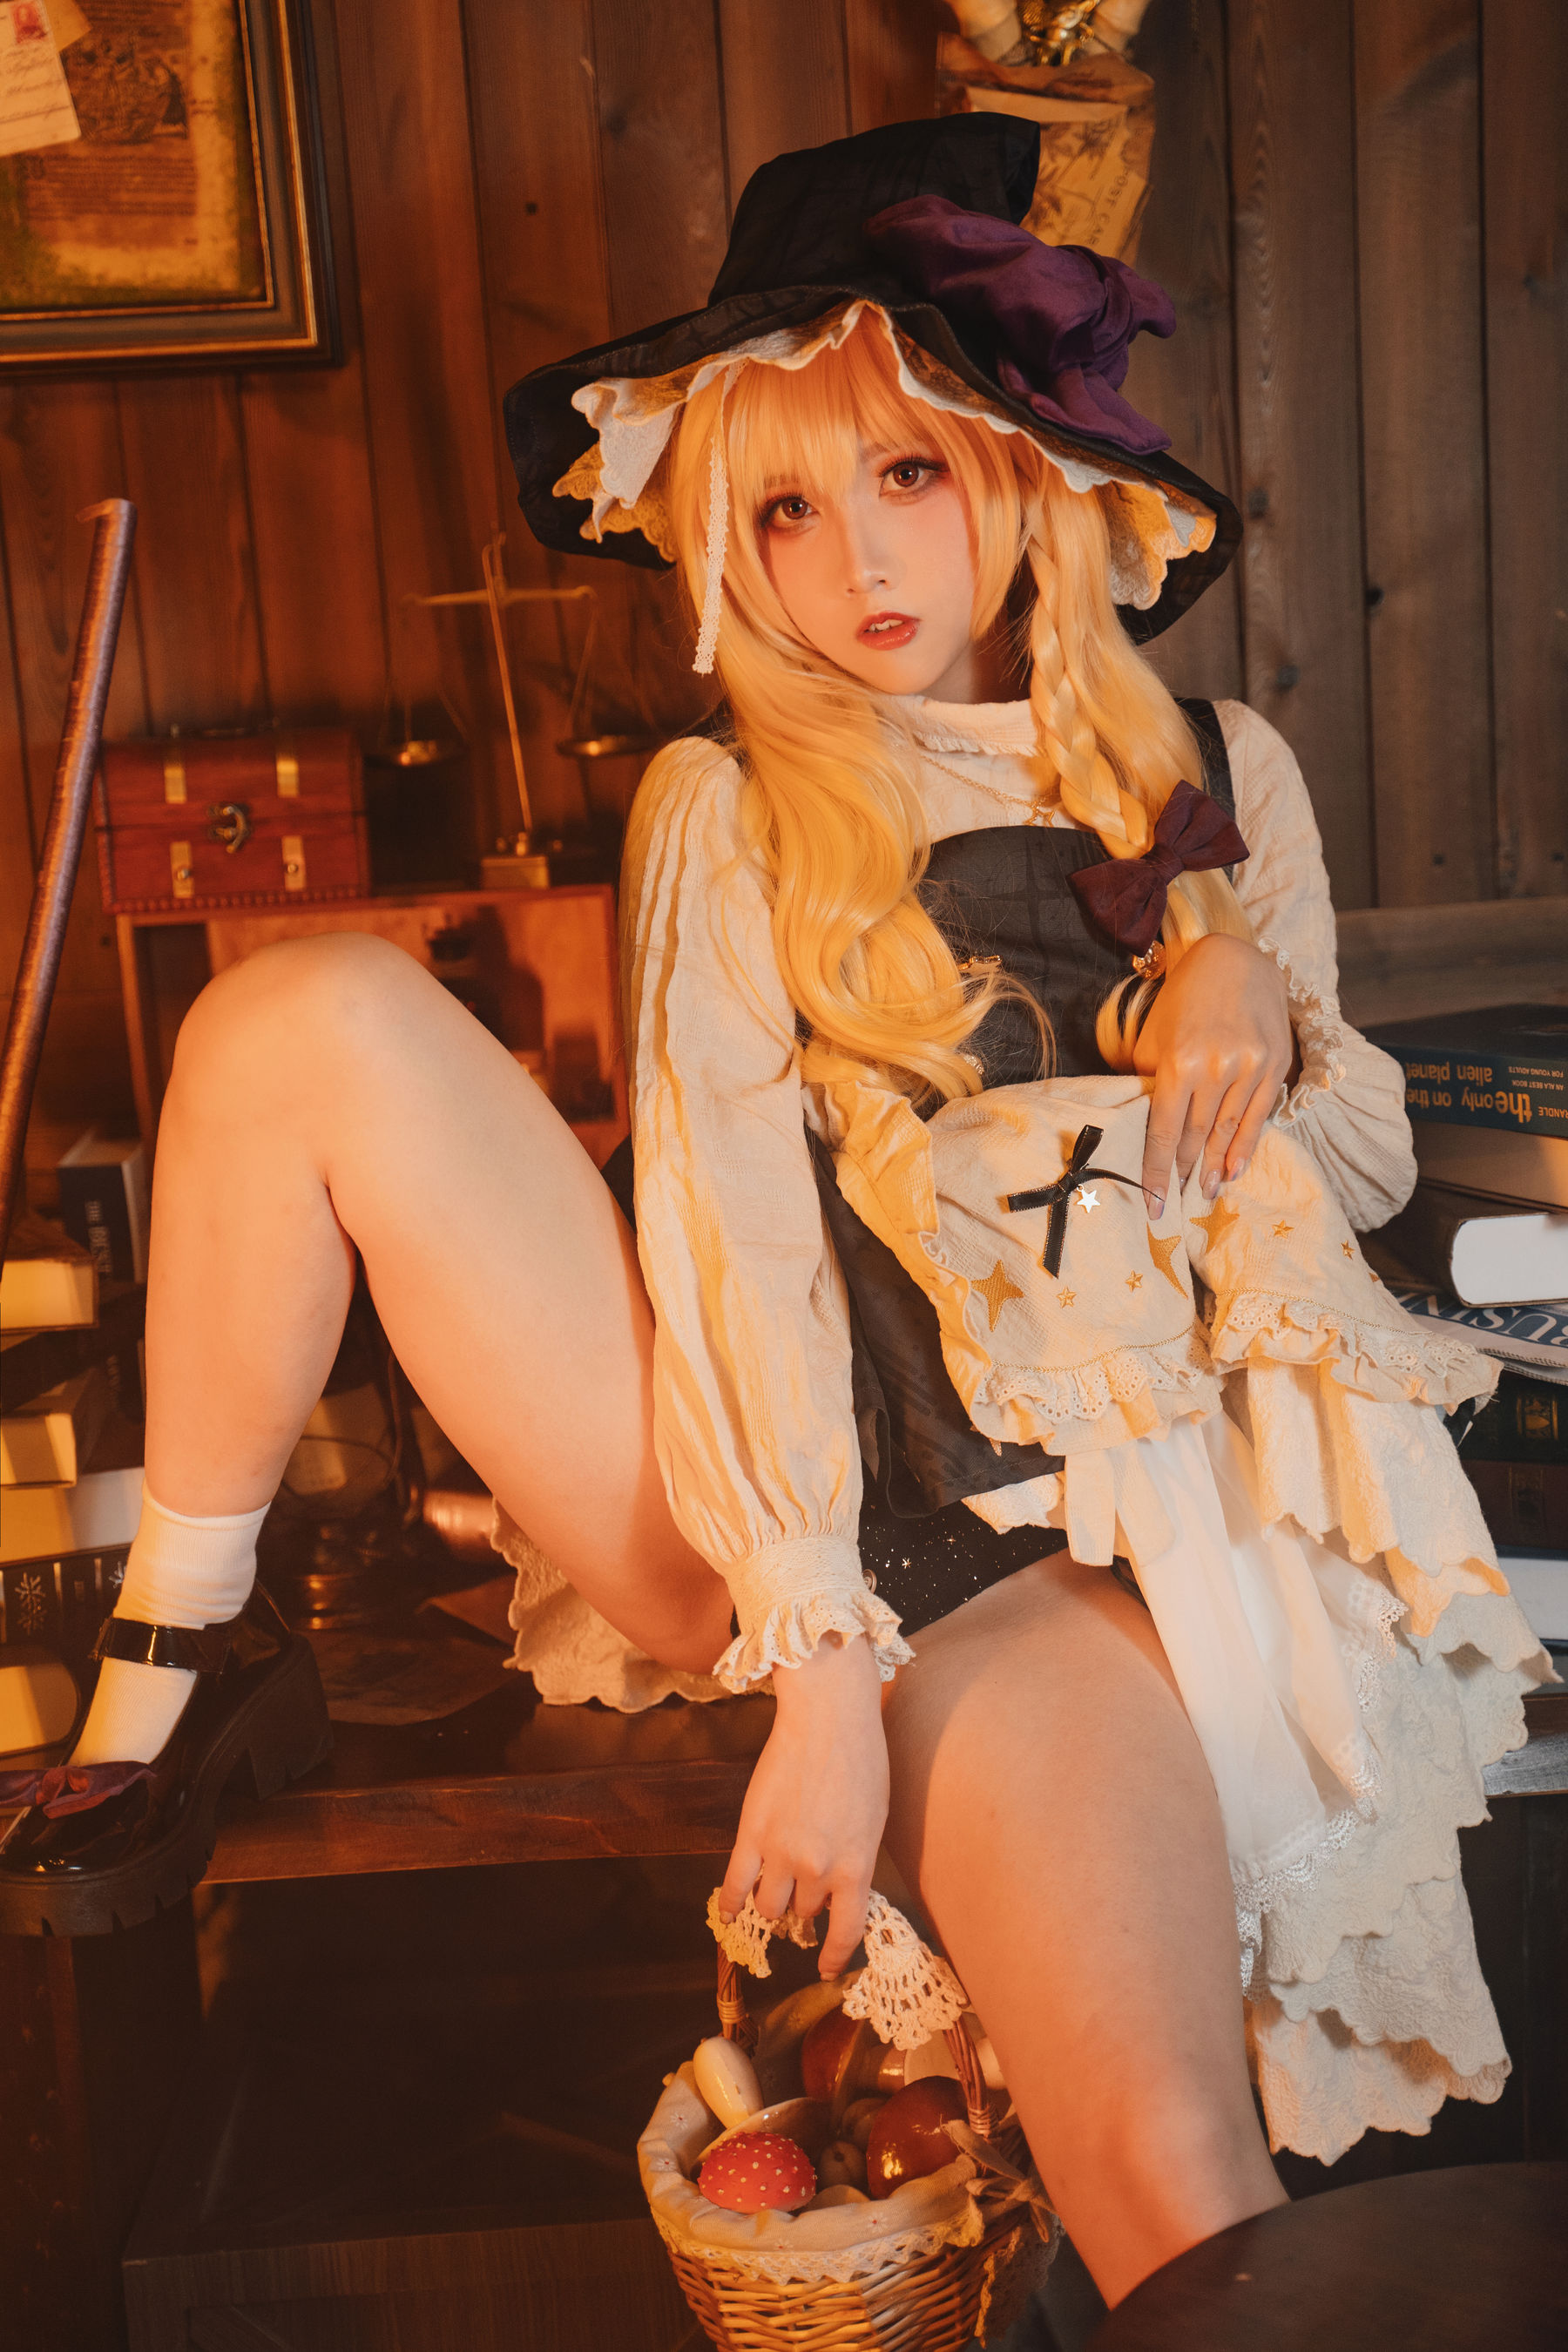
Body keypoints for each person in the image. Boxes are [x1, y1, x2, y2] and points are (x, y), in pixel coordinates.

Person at [1, 118, 1547, 2308]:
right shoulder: (725, 802)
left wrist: (1249, 993)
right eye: (786, 511)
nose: (857, 562)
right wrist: (819, 1675)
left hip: (1119, 1527)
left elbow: (1368, 1186)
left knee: (1179, 2186)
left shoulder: (1224, 775)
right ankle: (186, 1630)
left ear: (1021, 468)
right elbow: (728, 1235)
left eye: (906, 473)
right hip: (819, 1519)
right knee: (293, 1014)